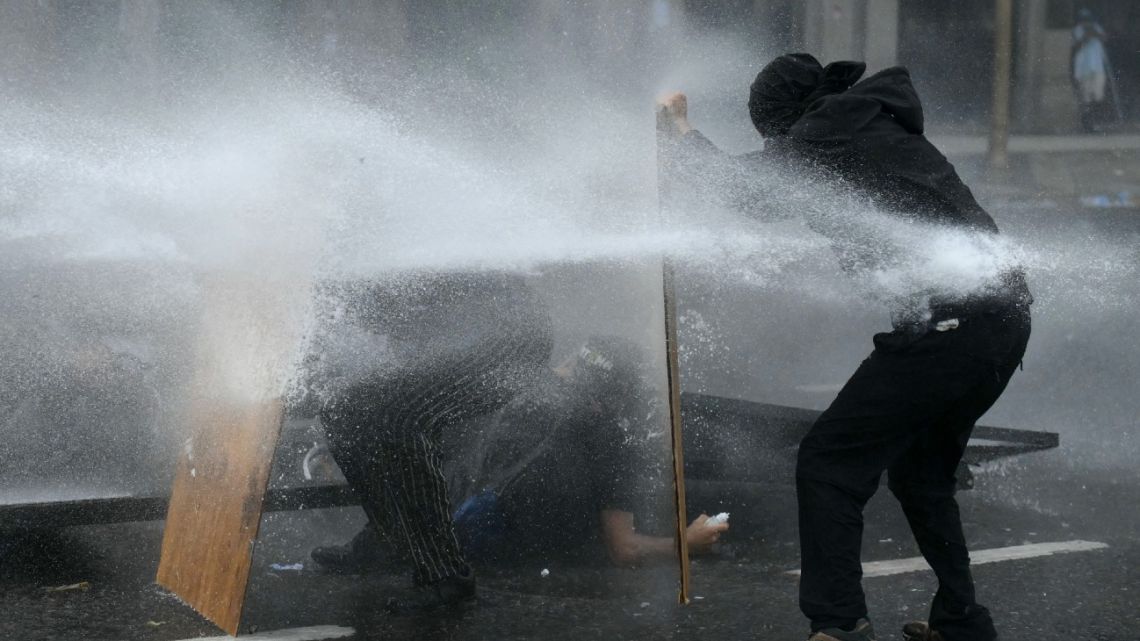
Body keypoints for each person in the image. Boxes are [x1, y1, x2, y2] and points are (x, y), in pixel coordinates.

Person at [658, 54, 1032, 641]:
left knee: (828, 464)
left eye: (769, 132)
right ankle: (963, 622)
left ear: (781, 117)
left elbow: (747, 191)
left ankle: (839, 625)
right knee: (921, 475)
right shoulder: (861, 122)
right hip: (1002, 321)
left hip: (953, 326)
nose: (775, 145)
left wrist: (680, 134)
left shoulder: (824, 130)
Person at [311, 335, 728, 573]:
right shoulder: (602, 433)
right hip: (486, 556)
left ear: (567, 366)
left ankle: (376, 550)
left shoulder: (510, 394)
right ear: (617, 398)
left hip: (412, 538)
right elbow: (624, 548)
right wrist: (684, 543)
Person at [305, 270, 553, 612]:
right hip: (462, 334)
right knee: (342, 409)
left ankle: (446, 576)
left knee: (402, 421)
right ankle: (389, 539)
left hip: (509, 335)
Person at [1071, 8, 1122, 132]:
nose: (1086, 22)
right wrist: (1086, 35)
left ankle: (1097, 121)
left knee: (1098, 96)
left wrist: (1094, 32)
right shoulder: (1077, 30)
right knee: (1086, 97)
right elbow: (1077, 45)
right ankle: (1087, 124)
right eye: (1084, 20)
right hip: (1084, 69)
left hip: (1097, 67)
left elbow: (1104, 38)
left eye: (1087, 20)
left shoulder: (1096, 27)